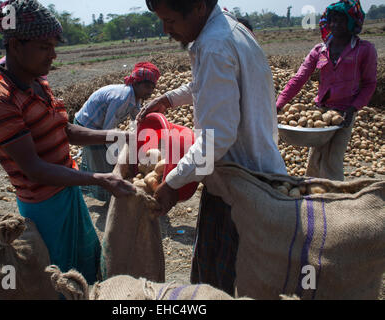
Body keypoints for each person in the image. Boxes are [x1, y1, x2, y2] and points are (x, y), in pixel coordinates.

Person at [0, 0, 135, 285]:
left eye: (54, 46)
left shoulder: (38, 82)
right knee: (60, 278)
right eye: (43, 47)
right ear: (15, 44)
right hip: (44, 205)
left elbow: (66, 131)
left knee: (87, 260)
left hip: (68, 190)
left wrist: (119, 136)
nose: (53, 55)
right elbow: (34, 169)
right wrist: (100, 178)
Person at [139, 0, 287, 295]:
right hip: (259, 175)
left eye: (170, 21)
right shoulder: (229, 30)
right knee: (239, 273)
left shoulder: (214, 45)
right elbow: (207, 84)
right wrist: (169, 99)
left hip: (237, 186)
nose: (166, 31)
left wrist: (172, 182)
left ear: (198, 7)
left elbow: (217, 138)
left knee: (213, 283)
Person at [276, 0, 377, 181]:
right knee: (314, 158)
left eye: (341, 20)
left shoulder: (364, 50)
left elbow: (369, 83)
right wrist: (279, 103)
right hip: (321, 111)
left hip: (345, 112)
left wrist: (353, 109)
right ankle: (313, 194)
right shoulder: (320, 50)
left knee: (333, 159)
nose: (335, 25)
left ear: (352, 23)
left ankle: (334, 198)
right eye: (332, 20)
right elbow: (299, 78)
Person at [74, 62, 160, 202]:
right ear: (136, 83)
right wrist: (118, 155)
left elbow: (136, 120)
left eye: (152, 87)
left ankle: (100, 189)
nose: (150, 91)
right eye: (146, 86)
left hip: (100, 126)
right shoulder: (122, 98)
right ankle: (108, 198)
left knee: (105, 159)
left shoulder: (135, 97)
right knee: (104, 162)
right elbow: (107, 132)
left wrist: (143, 140)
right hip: (86, 125)